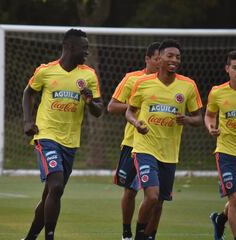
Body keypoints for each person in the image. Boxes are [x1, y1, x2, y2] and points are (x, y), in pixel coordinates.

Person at [22, 29, 103, 240]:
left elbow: (98, 111)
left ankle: (30, 237)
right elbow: (29, 92)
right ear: (70, 47)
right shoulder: (46, 71)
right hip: (46, 135)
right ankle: (50, 236)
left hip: (70, 141)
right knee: (56, 186)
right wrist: (28, 121)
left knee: (51, 192)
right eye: (83, 48)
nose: (87, 52)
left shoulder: (88, 75)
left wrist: (89, 101)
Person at [125, 39, 203, 240]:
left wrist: (187, 119)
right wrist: (136, 124)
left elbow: (199, 118)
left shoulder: (188, 86)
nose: (174, 60)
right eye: (170, 56)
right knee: (151, 195)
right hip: (145, 148)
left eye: (177, 57)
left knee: (159, 202)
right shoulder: (142, 83)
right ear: (159, 59)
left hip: (169, 152)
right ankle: (139, 235)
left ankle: (150, 236)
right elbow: (129, 112)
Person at [107, 42, 160, 240]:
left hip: (159, 147)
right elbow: (112, 107)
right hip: (132, 142)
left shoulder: (170, 84)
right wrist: (133, 105)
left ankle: (148, 234)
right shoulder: (132, 79)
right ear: (147, 59)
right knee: (130, 191)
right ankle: (126, 233)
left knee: (155, 196)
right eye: (156, 59)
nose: (160, 63)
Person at [205, 50, 236, 240]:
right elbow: (210, 115)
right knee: (235, 199)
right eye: (235, 67)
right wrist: (211, 127)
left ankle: (220, 220)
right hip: (226, 153)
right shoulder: (217, 92)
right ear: (228, 69)